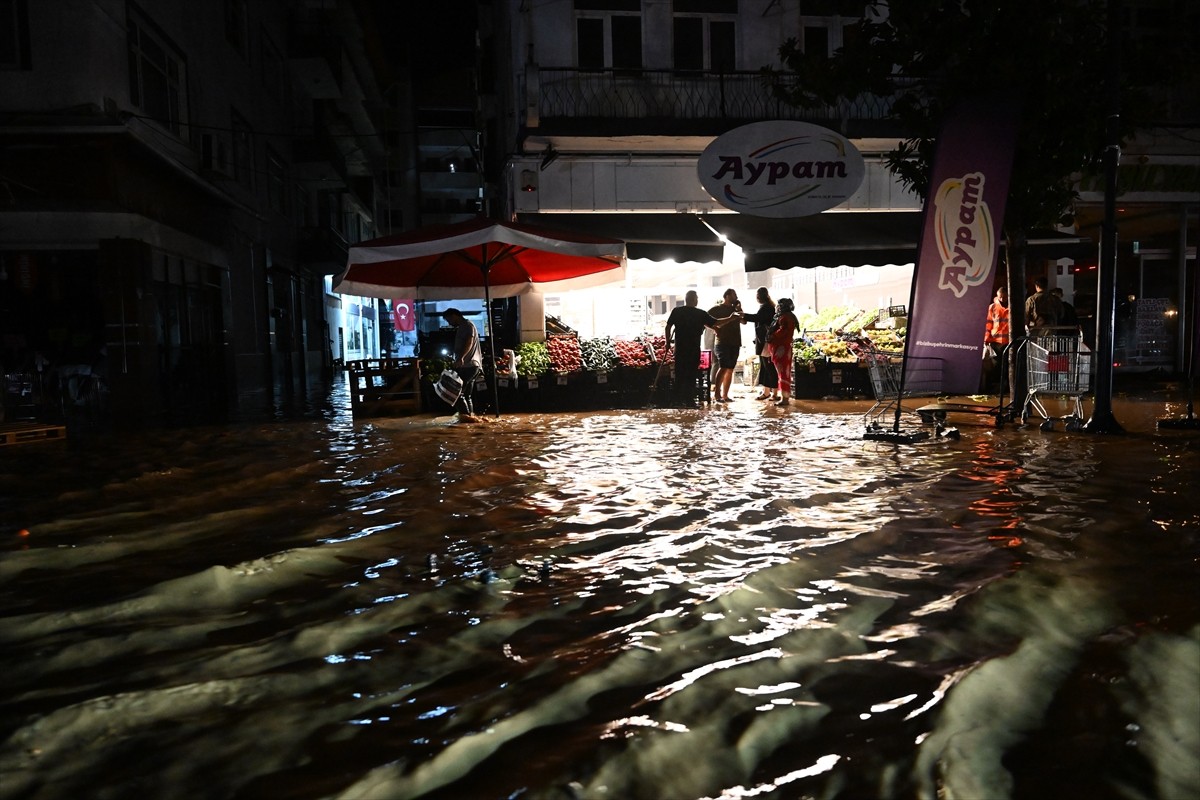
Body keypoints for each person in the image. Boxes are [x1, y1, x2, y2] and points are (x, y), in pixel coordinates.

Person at [664, 290, 729, 408]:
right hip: (693, 349)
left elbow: (668, 327)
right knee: (691, 375)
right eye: (697, 298)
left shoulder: (677, 311)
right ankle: (689, 401)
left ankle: (677, 401)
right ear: (694, 299)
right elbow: (716, 322)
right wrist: (731, 318)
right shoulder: (700, 314)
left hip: (680, 349)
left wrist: (667, 342)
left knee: (679, 374)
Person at [707, 288, 746, 403]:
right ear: (727, 296)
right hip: (722, 342)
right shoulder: (717, 309)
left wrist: (739, 309)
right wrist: (714, 328)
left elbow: (744, 321)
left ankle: (725, 395)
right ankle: (717, 394)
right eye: (734, 295)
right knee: (723, 366)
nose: (736, 297)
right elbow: (705, 320)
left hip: (735, 342)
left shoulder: (735, 309)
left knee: (730, 369)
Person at [442, 307, 482, 416]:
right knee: (466, 395)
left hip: (468, 365)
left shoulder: (467, 325)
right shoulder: (464, 326)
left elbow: (469, 342)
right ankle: (470, 418)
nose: (449, 323)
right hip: (472, 365)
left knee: (458, 393)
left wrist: (461, 358)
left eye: (449, 320)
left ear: (454, 316)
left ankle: (465, 419)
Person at [741, 287, 779, 401]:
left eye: (757, 295)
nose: (757, 297)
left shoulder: (766, 308)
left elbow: (758, 318)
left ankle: (774, 393)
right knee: (766, 367)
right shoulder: (768, 306)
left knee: (769, 367)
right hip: (765, 342)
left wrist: (744, 315)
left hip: (766, 343)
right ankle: (768, 391)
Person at [766, 298, 800, 406]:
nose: (776, 307)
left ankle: (785, 398)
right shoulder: (785, 316)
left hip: (781, 348)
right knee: (782, 373)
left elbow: (783, 331)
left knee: (783, 373)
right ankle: (784, 397)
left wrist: (772, 336)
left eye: (778, 305)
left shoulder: (785, 317)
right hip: (780, 347)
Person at [981, 284, 1010, 393]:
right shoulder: (992, 307)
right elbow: (988, 324)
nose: (1002, 299)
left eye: (1004, 297)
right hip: (995, 342)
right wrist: (986, 338)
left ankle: (1004, 387)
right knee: (996, 366)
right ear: (997, 296)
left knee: (1006, 365)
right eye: (1000, 297)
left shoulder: (1012, 306)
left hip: (1008, 342)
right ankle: (996, 386)